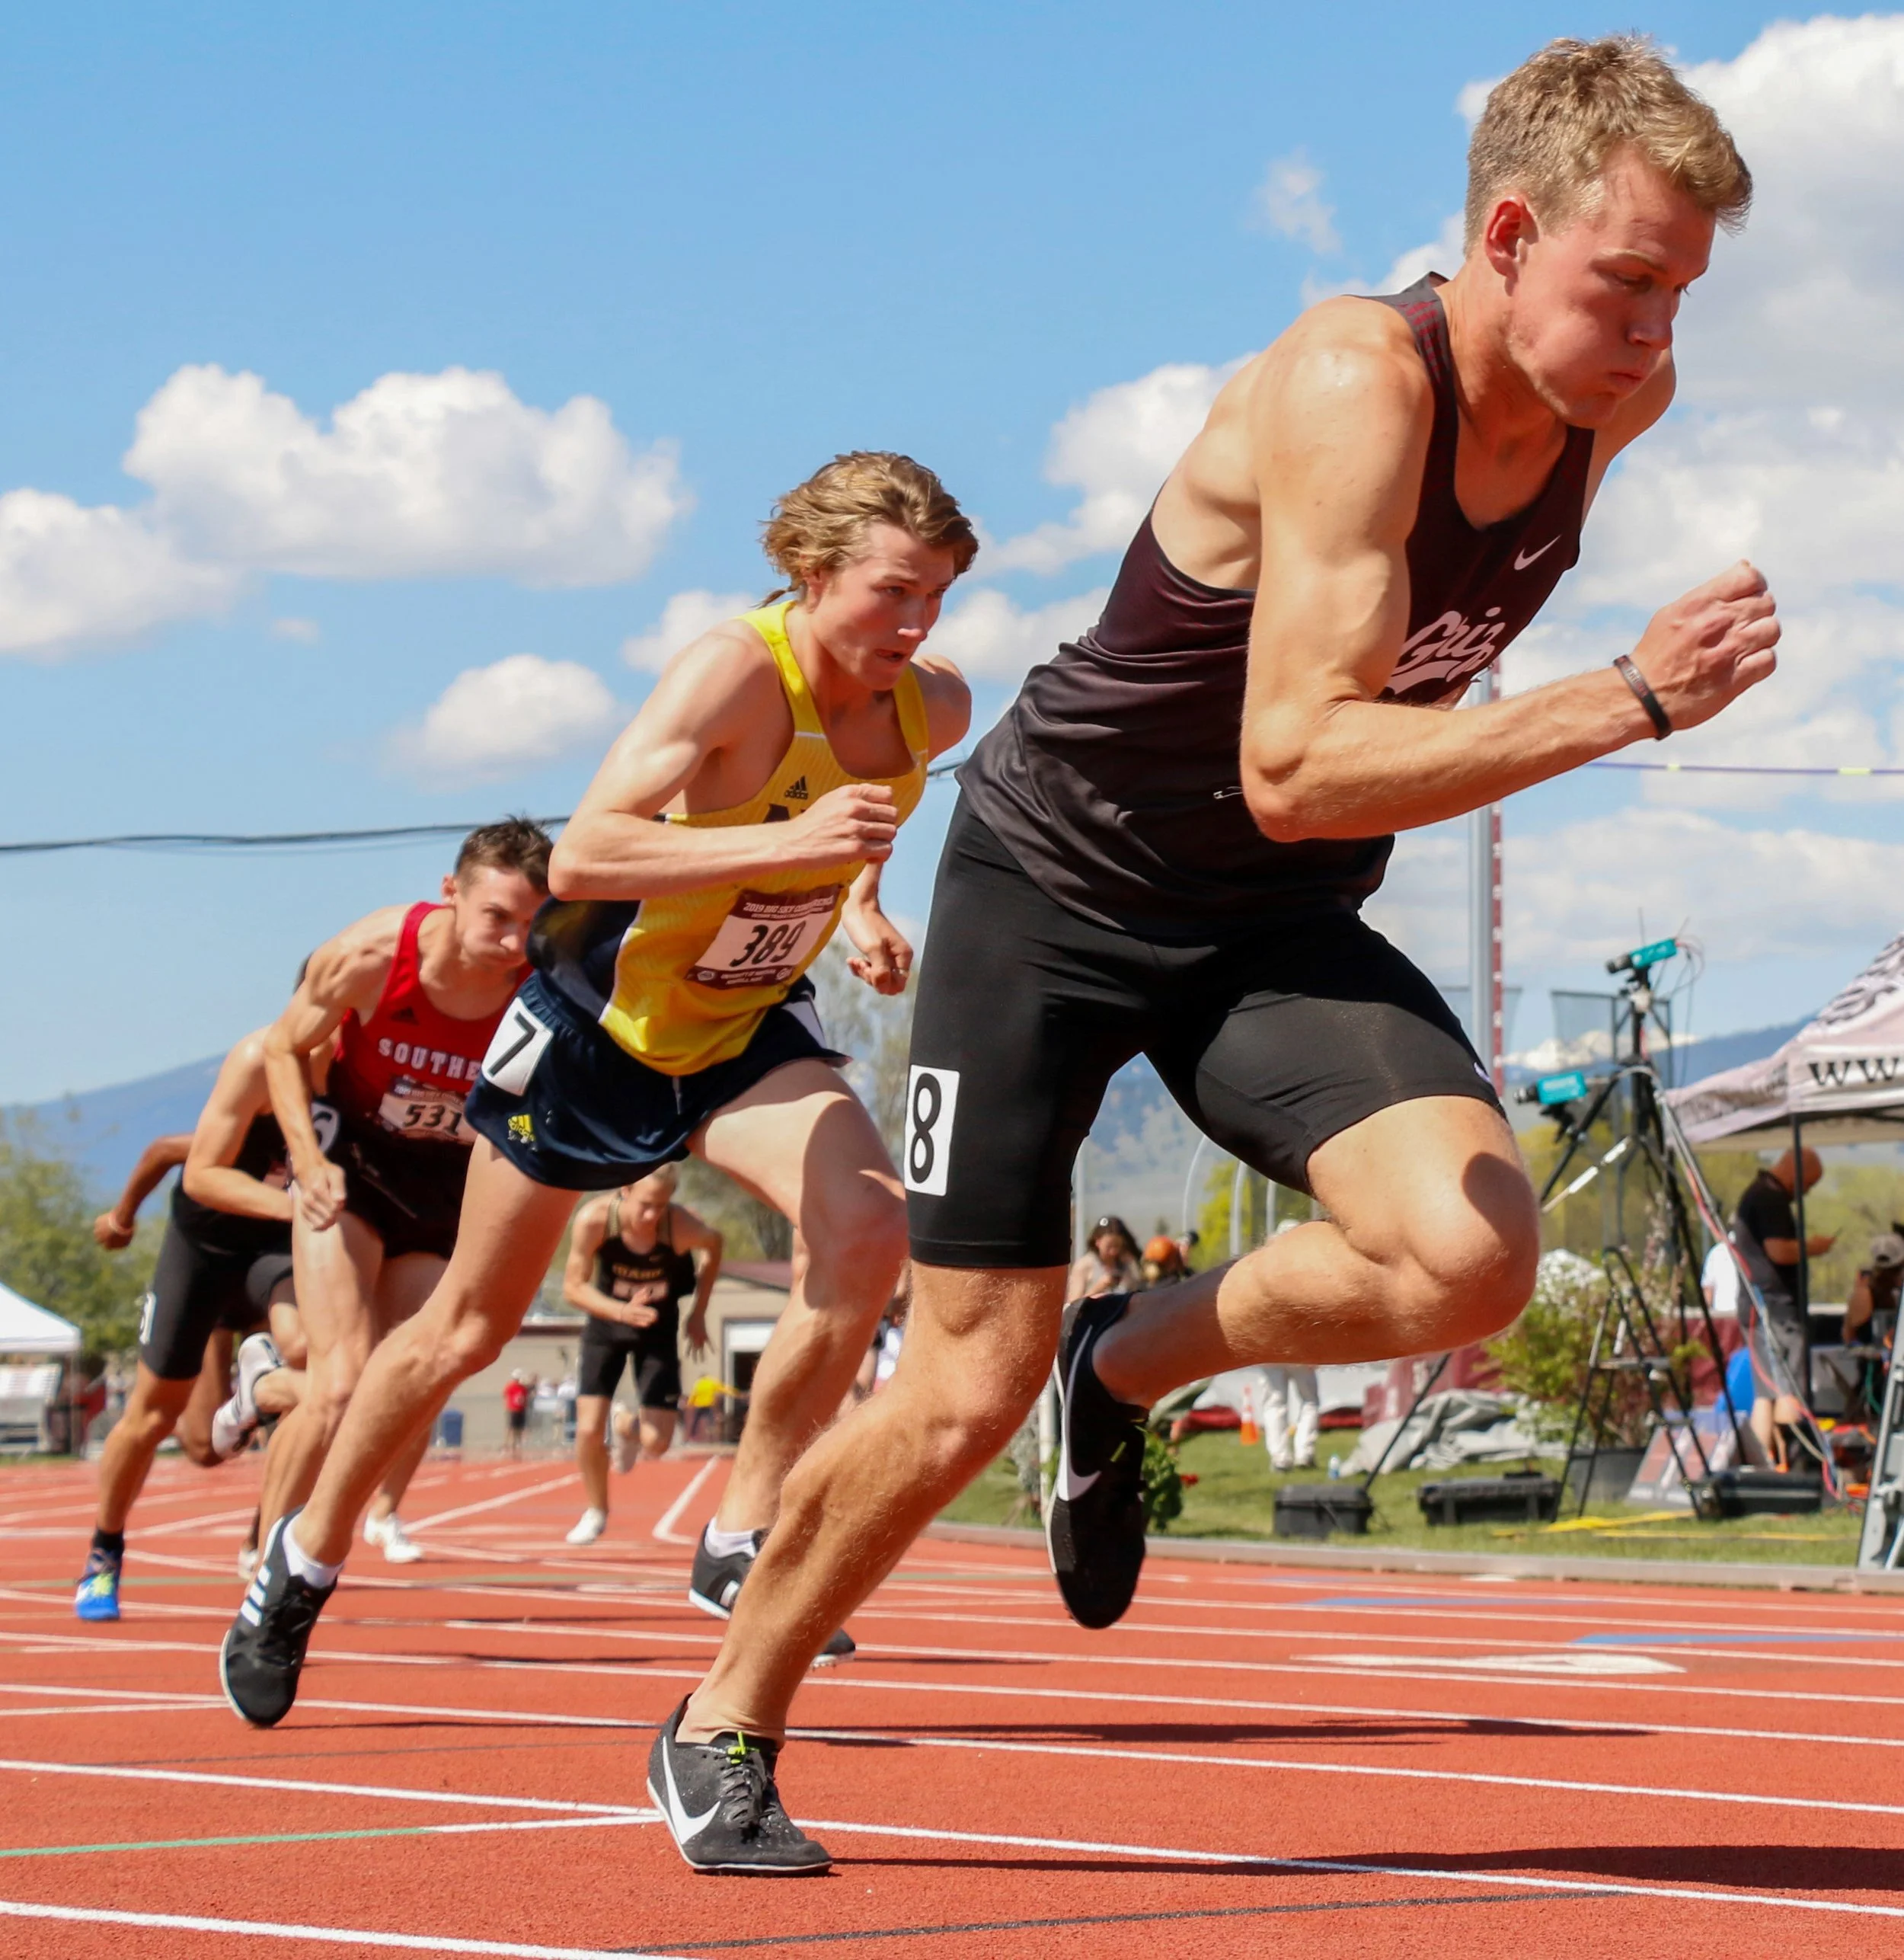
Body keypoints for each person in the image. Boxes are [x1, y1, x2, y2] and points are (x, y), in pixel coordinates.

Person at [648, 37, 1777, 1874]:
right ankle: (724, 1714)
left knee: (1471, 1252)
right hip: (1054, 893)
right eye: (1628, 283)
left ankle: (1128, 1365)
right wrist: (1628, 696)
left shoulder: (1601, 408)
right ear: (1506, 234)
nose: (1659, 339)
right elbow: (1297, 750)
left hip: (1267, 915)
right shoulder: (1352, 381)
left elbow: (1327, 776)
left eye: (1684, 298)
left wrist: (1593, 696)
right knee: (958, 1381)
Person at [219, 452, 974, 1741]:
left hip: (742, 1028)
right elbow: (586, 849)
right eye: (893, 593)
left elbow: (851, 829)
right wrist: (789, 847)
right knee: (462, 1326)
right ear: (810, 573)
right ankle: (301, 1560)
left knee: (867, 1235)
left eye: (939, 597)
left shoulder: (931, 706)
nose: (916, 627)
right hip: (597, 1026)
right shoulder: (733, 670)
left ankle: (740, 1528)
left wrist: (859, 907)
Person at [245, 819, 553, 1562]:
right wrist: (306, 1160)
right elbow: (283, 1045)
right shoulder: (372, 954)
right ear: (450, 893)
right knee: (340, 1380)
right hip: (355, 1166)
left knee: (406, 1383)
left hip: (446, 1185)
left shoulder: (542, 984)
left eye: (530, 924)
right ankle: (267, 1562)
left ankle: (263, 1395)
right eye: (498, 918)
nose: (514, 941)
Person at [74, 1034, 311, 1620]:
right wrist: (121, 1219)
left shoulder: (347, 1102)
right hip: (201, 1259)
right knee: (187, 1437)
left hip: (273, 1260)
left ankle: (264, 1540)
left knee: (309, 1359)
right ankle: (104, 1552)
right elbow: (162, 1150)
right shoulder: (261, 1092)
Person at [561, 1165, 721, 1546]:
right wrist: (619, 1311)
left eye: (662, 1206)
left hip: (657, 1329)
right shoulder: (595, 1220)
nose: (652, 1217)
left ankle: (626, 1428)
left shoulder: (680, 1226)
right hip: (607, 1325)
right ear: (625, 1190)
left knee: (656, 1443)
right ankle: (597, 1510)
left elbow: (715, 1245)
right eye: (646, 1205)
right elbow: (573, 1288)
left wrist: (698, 1313)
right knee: (586, 1428)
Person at [1733, 1147, 1832, 1468]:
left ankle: (1764, 1467)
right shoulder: (1770, 1198)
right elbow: (1778, 1251)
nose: (1804, 1192)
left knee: (1766, 1393)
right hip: (1774, 1309)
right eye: (1807, 1184)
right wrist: (1813, 1248)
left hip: (1758, 1307)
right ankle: (1796, 1463)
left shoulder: (1756, 1194)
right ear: (1796, 1171)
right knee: (1790, 1389)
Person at [1066, 1217, 1143, 1301]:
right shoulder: (1084, 1266)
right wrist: (1098, 1289)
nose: (1113, 1252)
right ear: (1097, 1241)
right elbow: (1072, 1307)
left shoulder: (1126, 1264)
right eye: (1109, 1247)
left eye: (1117, 1246)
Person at [503, 1372, 532, 1457]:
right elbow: (506, 1396)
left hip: (521, 1409)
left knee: (520, 1428)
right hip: (513, 1409)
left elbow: (526, 1397)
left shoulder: (523, 1388)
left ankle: (517, 1443)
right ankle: (508, 1444)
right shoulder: (511, 1387)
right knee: (511, 1427)